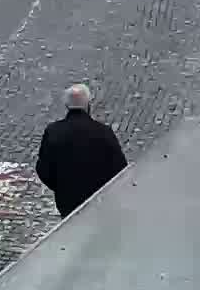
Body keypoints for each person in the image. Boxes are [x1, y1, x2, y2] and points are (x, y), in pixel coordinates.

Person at [34, 84, 129, 218]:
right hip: (98, 202)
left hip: (67, 201)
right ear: (88, 105)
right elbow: (120, 169)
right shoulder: (103, 132)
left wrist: (61, 186)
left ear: (67, 106)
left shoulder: (53, 131)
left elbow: (43, 168)